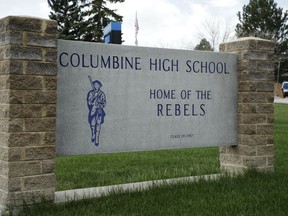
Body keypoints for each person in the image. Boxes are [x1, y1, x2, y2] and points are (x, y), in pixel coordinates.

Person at [87, 80, 106, 146]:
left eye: (97, 85)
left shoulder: (102, 93)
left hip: (99, 111)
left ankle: (97, 138)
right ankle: (93, 135)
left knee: (98, 124)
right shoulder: (91, 93)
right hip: (92, 111)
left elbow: (104, 103)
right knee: (92, 124)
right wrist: (94, 96)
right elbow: (89, 102)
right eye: (95, 84)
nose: (96, 86)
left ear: (100, 86)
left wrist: (100, 104)